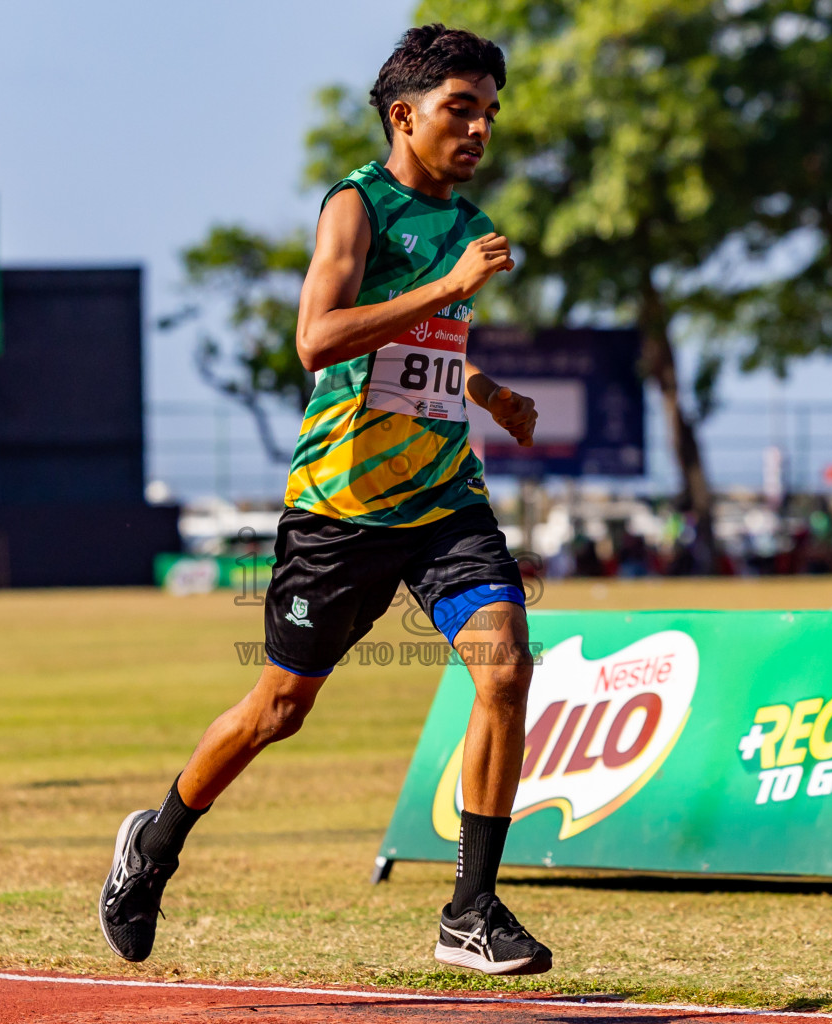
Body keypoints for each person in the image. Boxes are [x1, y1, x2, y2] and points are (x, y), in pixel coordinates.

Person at [97, 24, 552, 976]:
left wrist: (486, 390)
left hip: (443, 503)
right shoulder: (358, 206)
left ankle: (471, 907)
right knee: (279, 707)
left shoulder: (466, 226)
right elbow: (319, 337)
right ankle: (157, 842)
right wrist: (448, 287)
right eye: (459, 109)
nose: (478, 131)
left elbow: (418, 356)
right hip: (339, 512)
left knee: (505, 665)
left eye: (489, 115)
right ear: (404, 115)